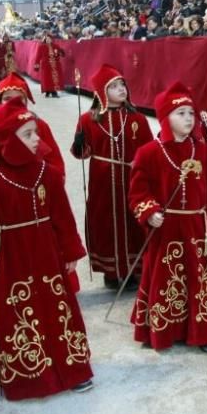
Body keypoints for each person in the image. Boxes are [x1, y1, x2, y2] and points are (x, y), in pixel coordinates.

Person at [0, 98, 94, 397]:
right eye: (28, 134)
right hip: (11, 252)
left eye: (36, 132)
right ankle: (30, 376)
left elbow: (62, 215)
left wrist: (71, 250)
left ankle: (72, 368)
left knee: (58, 306)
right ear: (9, 139)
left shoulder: (46, 171)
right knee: (20, 309)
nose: (37, 139)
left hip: (47, 248)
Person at [127, 81, 207, 351]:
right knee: (165, 277)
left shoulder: (203, 150)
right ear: (165, 118)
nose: (188, 118)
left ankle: (206, 331)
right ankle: (162, 329)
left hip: (198, 227)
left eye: (191, 113)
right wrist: (149, 211)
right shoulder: (149, 152)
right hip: (168, 228)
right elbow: (138, 192)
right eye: (180, 113)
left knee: (202, 278)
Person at [70, 65, 154, 288]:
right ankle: (111, 272)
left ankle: (136, 269)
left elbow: (150, 150)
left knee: (133, 220)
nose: (121, 89)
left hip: (131, 178)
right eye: (114, 86)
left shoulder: (138, 119)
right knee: (105, 222)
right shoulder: (88, 120)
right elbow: (82, 154)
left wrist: (145, 166)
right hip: (103, 181)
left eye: (122, 84)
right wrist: (79, 143)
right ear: (101, 91)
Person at [0, 72, 65, 178]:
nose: (13, 103)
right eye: (7, 98)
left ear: (25, 102)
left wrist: (52, 182)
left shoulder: (39, 125)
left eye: (19, 98)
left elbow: (55, 163)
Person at [33, 32, 64, 98]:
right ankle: (48, 91)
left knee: (54, 79)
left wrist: (61, 52)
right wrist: (36, 64)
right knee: (47, 79)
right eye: (46, 39)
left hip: (55, 65)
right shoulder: (41, 47)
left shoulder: (56, 46)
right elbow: (38, 56)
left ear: (52, 39)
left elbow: (60, 54)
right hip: (46, 65)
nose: (48, 40)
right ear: (45, 39)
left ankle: (53, 92)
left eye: (49, 39)